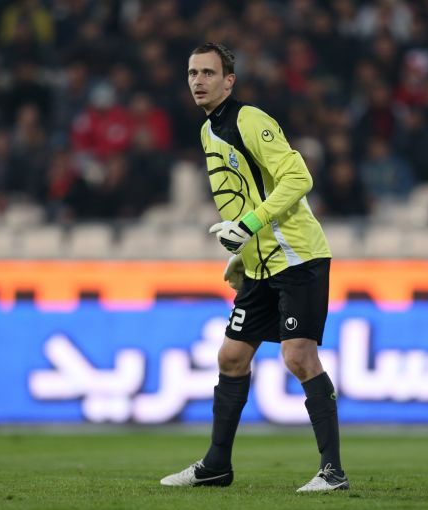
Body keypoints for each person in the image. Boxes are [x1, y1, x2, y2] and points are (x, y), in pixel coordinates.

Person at [160, 43, 348, 492]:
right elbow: (245, 197)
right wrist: (242, 253)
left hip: (298, 257)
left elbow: (299, 177)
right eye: (192, 73)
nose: (198, 80)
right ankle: (216, 466)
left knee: (298, 356)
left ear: (229, 81)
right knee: (231, 357)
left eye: (209, 73)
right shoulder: (208, 132)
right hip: (260, 265)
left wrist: (248, 226)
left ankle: (333, 472)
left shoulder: (249, 119)